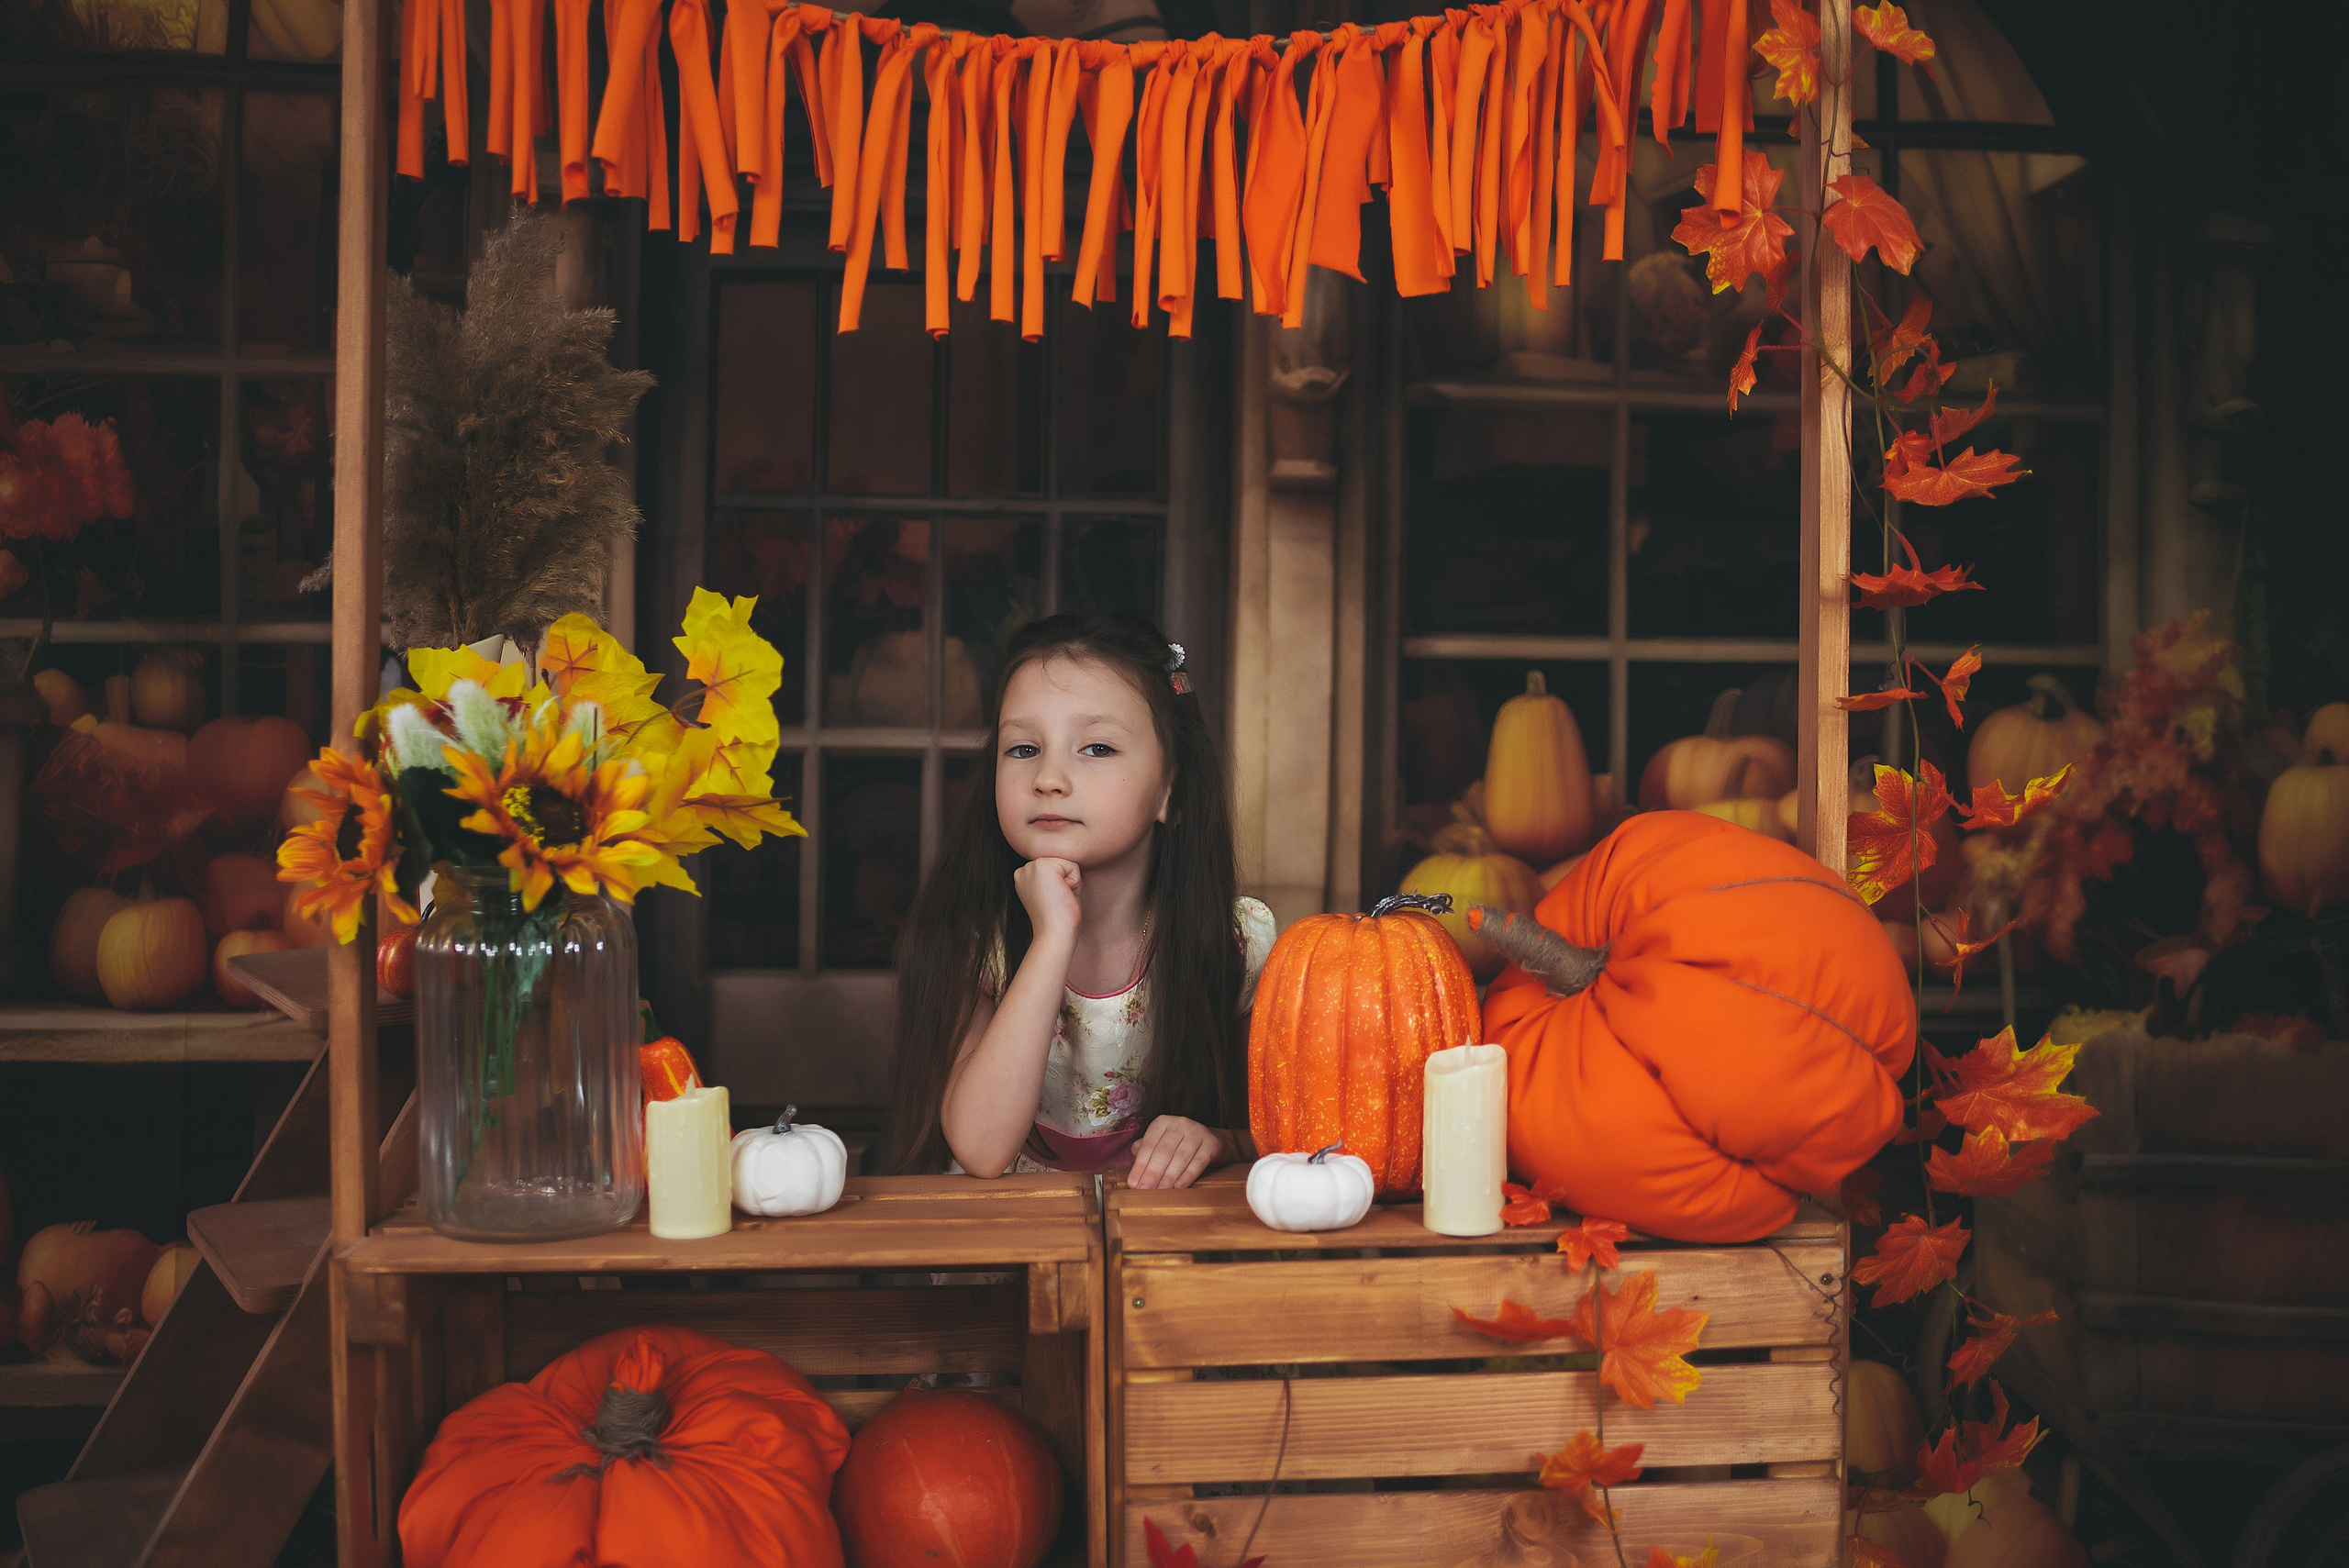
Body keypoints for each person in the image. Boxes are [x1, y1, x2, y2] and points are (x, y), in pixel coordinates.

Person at [888, 613, 1274, 1188]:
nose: (1049, 777)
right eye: (1022, 748)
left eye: (1095, 747)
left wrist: (1218, 1141)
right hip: (1017, 1243)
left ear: (1172, 789)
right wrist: (1051, 938)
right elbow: (981, 1149)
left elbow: (1289, 1132)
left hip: (1161, 1243)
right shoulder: (975, 937)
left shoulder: (1236, 940)